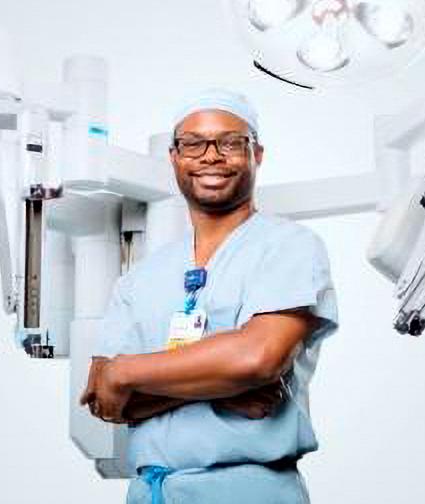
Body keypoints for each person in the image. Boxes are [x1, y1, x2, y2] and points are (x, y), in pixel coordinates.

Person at [80, 89, 338, 503]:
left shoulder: (288, 246)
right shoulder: (140, 279)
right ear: (174, 157)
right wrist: (224, 384)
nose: (211, 156)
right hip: (151, 492)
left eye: (231, 142)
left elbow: (258, 358)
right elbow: (106, 400)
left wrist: (127, 369)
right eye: (193, 143)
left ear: (257, 154)